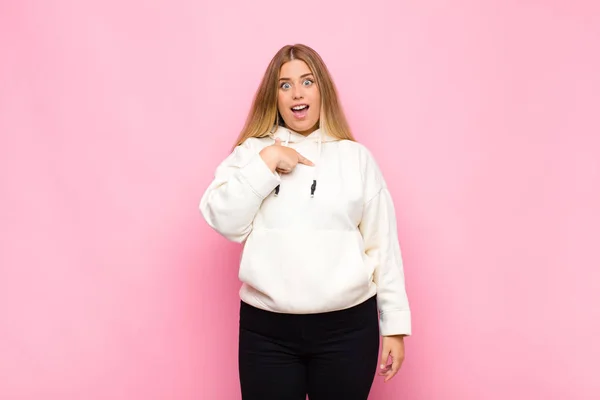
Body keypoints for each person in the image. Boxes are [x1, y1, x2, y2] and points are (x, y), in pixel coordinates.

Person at [199, 43, 411, 400]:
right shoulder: (253, 153)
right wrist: (267, 161)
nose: (297, 93)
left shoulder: (355, 159)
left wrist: (394, 327)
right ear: (275, 97)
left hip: (347, 331)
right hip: (266, 333)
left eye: (307, 81)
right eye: (285, 85)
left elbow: (383, 246)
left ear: (322, 90)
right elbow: (223, 219)